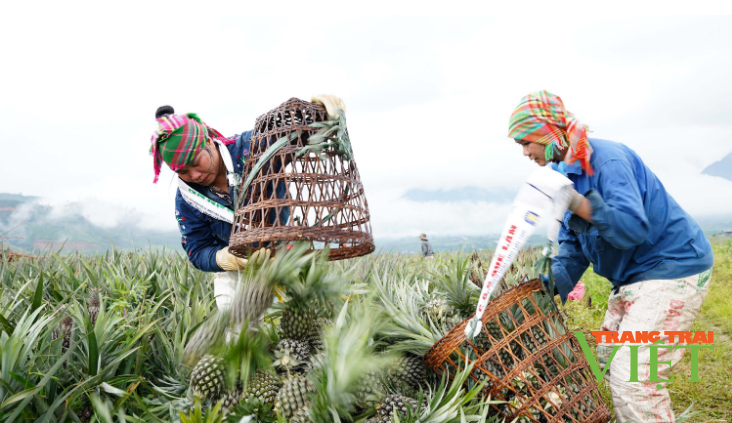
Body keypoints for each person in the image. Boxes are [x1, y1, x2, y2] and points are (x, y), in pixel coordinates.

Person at [508, 90, 714, 423]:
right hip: (633, 278)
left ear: (547, 131)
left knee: (634, 380)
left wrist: (579, 204)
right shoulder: (563, 174)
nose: (525, 151)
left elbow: (632, 229)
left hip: (671, 269)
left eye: (525, 141)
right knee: (608, 360)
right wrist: (546, 288)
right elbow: (572, 249)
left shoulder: (606, 161)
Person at [149, 96, 346, 309]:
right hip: (234, 275)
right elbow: (197, 250)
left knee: (289, 327)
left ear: (207, 141)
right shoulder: (187, 199)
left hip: (282, 256)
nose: (194, 175)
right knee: (236, 336)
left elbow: (292, 134)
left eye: (196, 162)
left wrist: (321, 114)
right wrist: (227, 259)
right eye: (182, 172)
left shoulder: (251, 148)